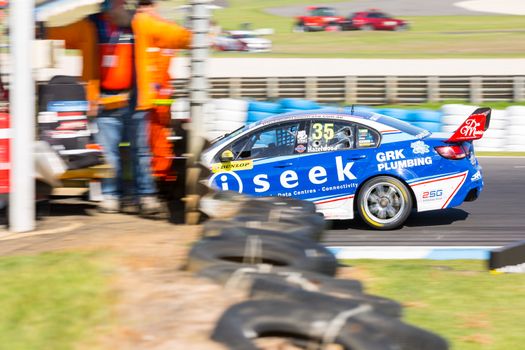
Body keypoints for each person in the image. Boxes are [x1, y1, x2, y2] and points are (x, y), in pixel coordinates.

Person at [46, 0, 192, 215]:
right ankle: (110, 196)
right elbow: (62, 33)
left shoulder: (141, 23)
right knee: (108, 154)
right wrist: (36, 29)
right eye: (115, 4)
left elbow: (171, 34)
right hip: (104, 103)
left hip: (136, 103)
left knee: (141, 153)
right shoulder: (91, 25)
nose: (120, 8)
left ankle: (146, 196)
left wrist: (194, 36)